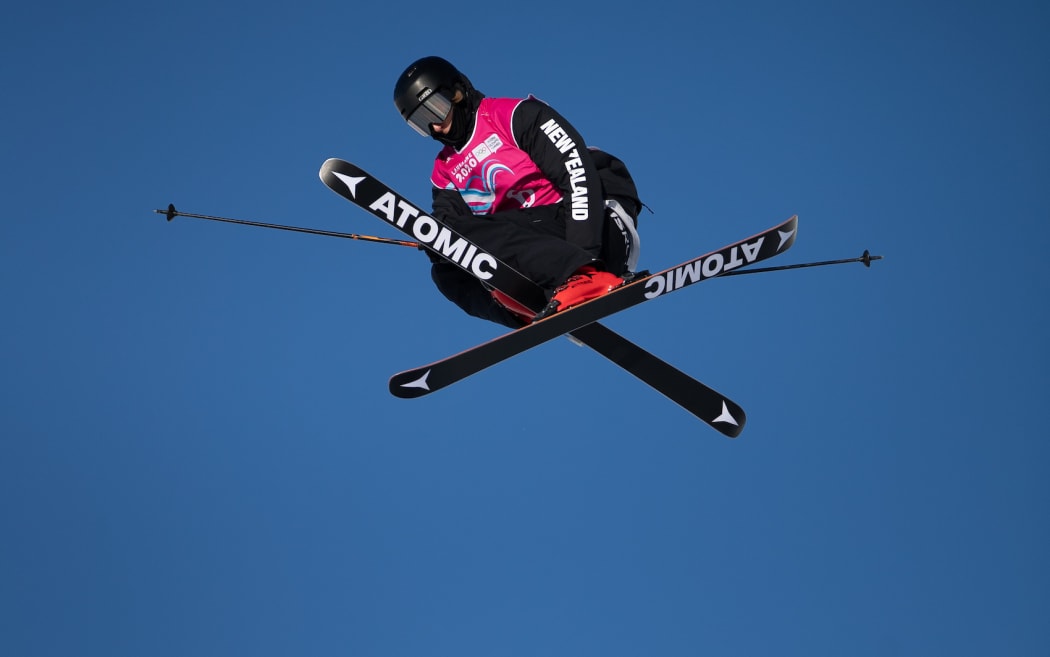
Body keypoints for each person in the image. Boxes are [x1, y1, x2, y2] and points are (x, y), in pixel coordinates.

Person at [393, 56, 643, 328]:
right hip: (546, 259)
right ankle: (528, 308)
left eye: (435, 110)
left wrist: (585, 261)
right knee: (447, 270)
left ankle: (584, 280)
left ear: (457, 92)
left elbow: (577, 173)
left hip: (598, 230)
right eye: (421, 122)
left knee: (467, 234)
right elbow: (449, 227)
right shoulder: (445, 171)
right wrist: (436, 242)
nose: (435, 127)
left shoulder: (514, 116)